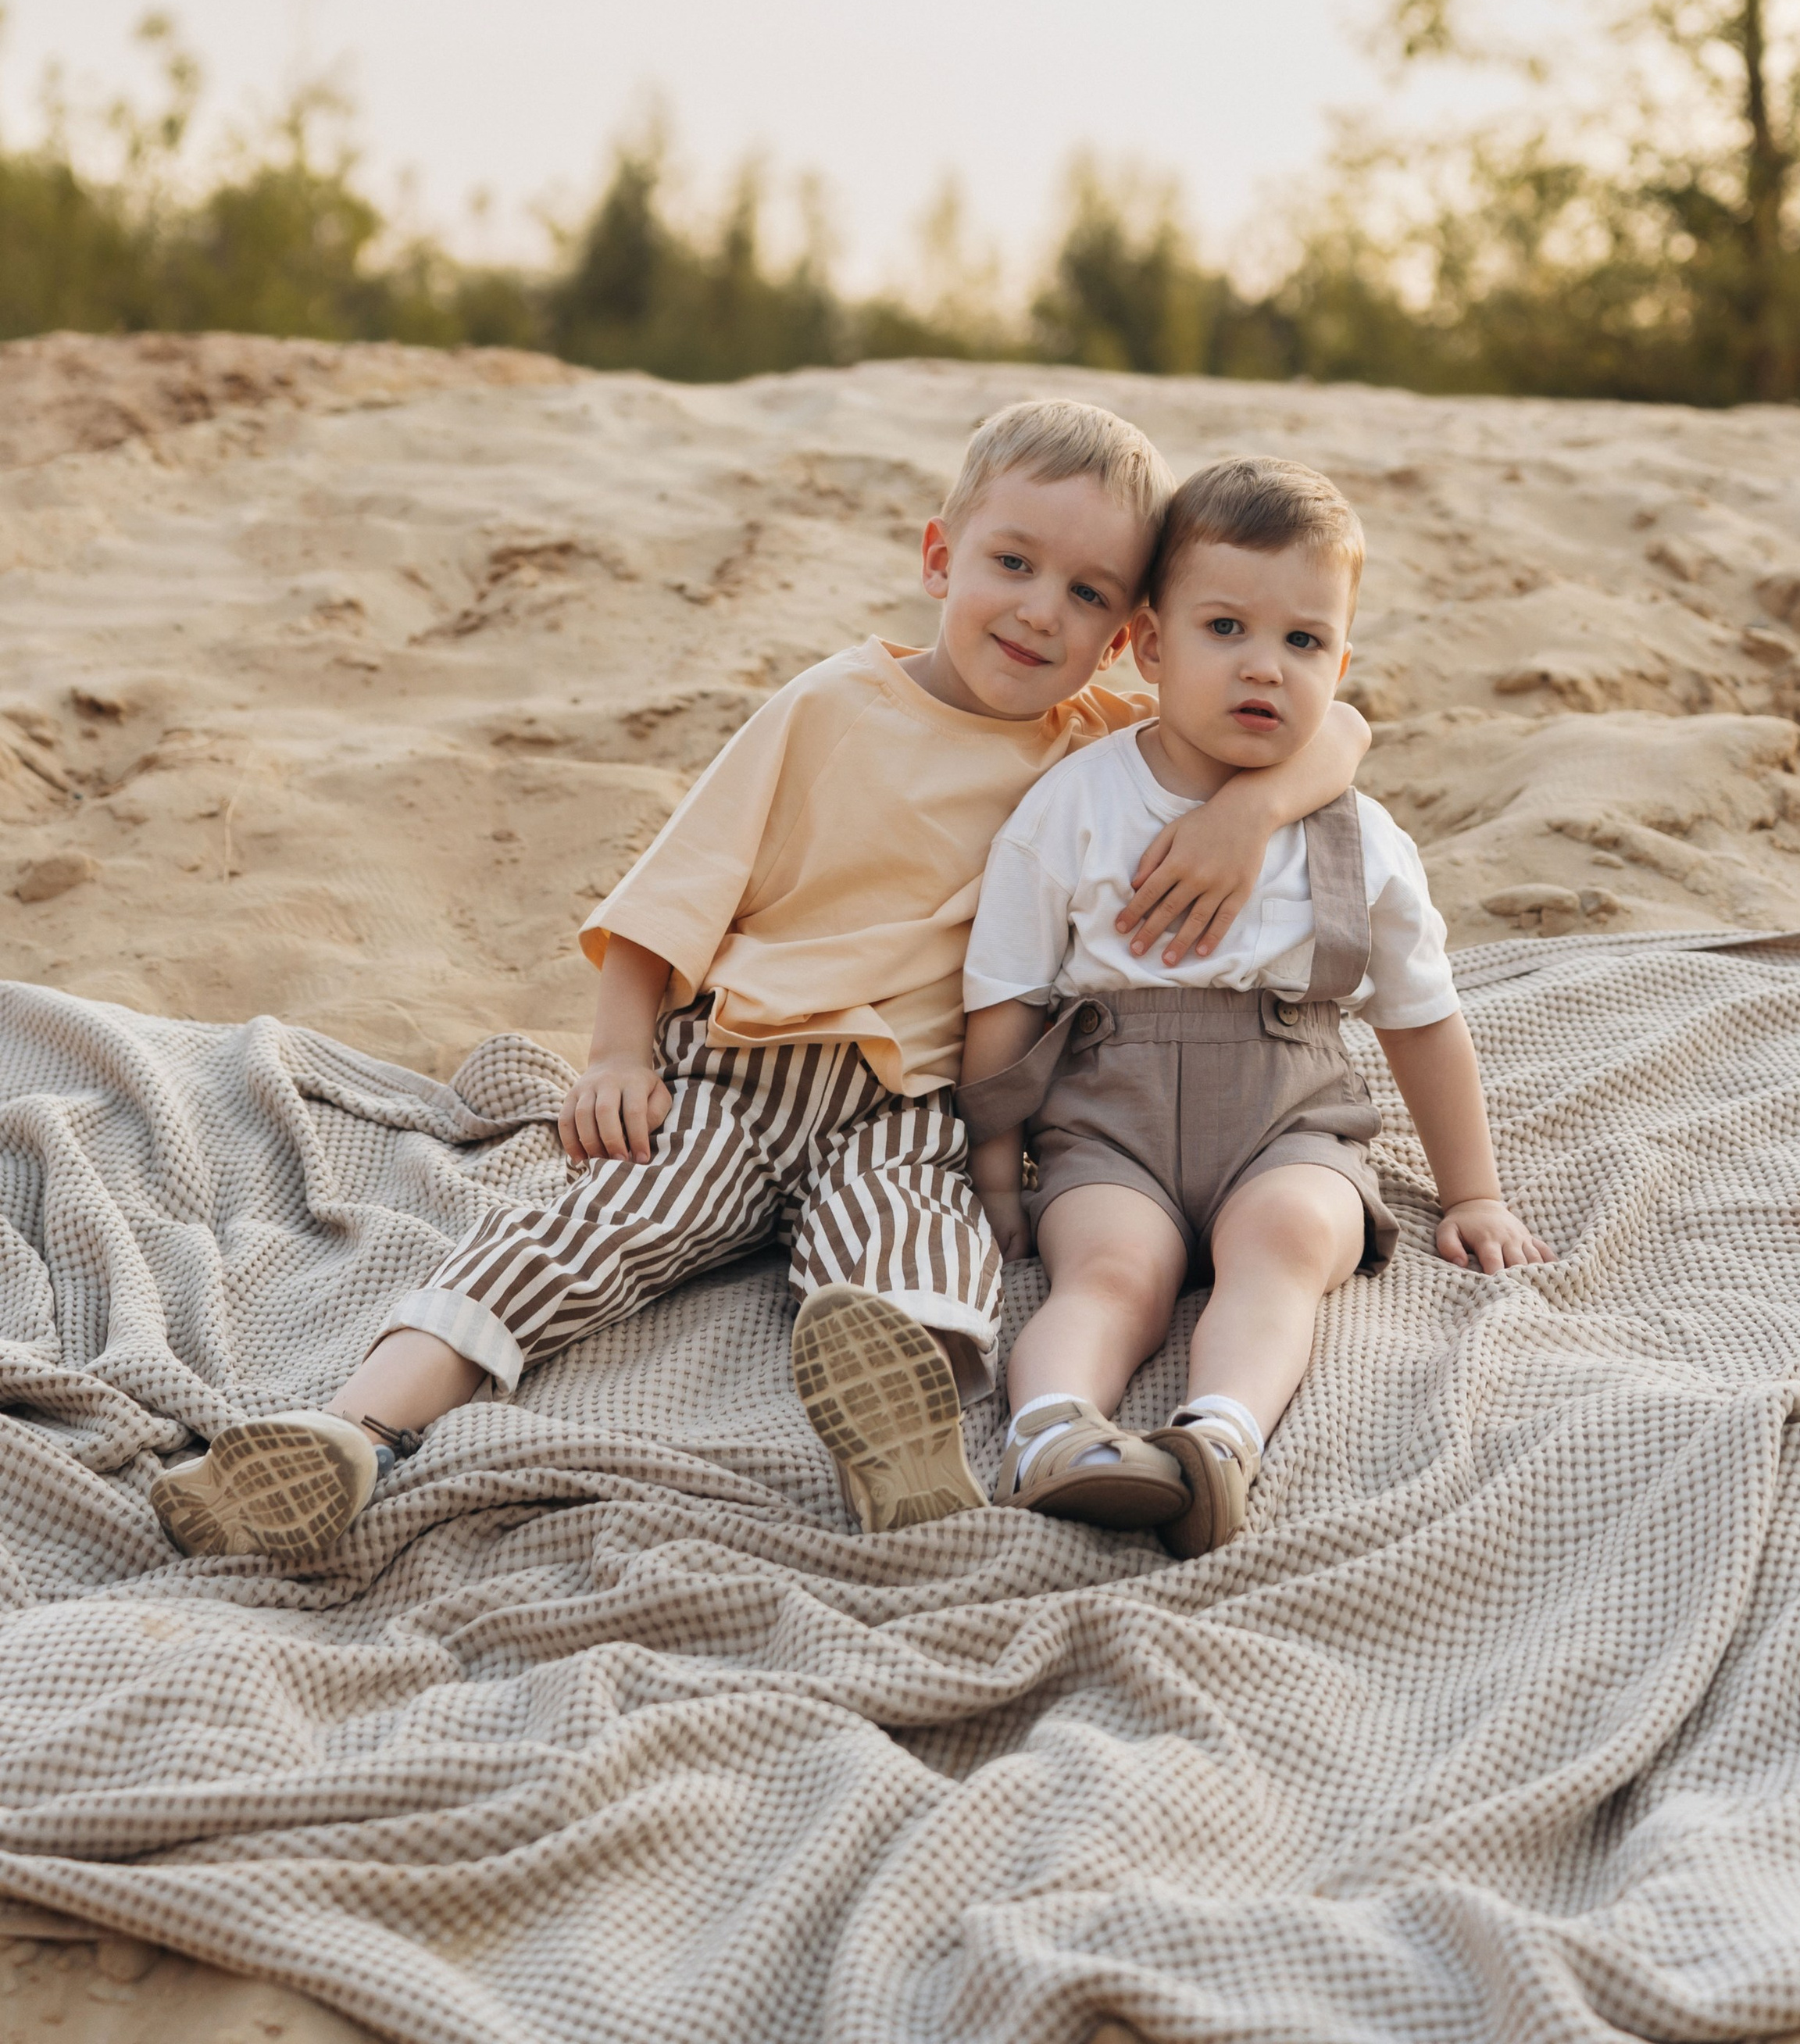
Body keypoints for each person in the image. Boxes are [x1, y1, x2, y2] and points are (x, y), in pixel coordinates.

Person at [152, 402, 1372, 1565]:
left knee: (918, 1258)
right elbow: (670, 894)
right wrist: (619, 1053)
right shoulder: (829, 708)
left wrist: (1255, 809)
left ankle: (899, 1445)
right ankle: (353, 1429)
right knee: (586, 1230)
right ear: (940, 557)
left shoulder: (1098, 741)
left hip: (912, 1107)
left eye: (1087, 594)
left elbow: (1342, 730)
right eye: (1012, 563)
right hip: (739, 1073)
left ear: (1124, 637)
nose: (1039, 611)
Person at [958, 453, 1552, 1562]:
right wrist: (997, 1174)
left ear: (1342, 663)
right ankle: (1052, 1432)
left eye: (1304, 641)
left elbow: (1421, 1017)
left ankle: (1218, 1441)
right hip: (1108, 1126)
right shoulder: (1077, 804)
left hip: (1291, 1122)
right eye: (1225, 628)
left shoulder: (1362, 838)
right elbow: (1006, 995)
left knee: (1286, 1242)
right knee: (1112, 1271)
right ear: (1149, 644)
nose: (1264, 667)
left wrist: (1472, 1191)